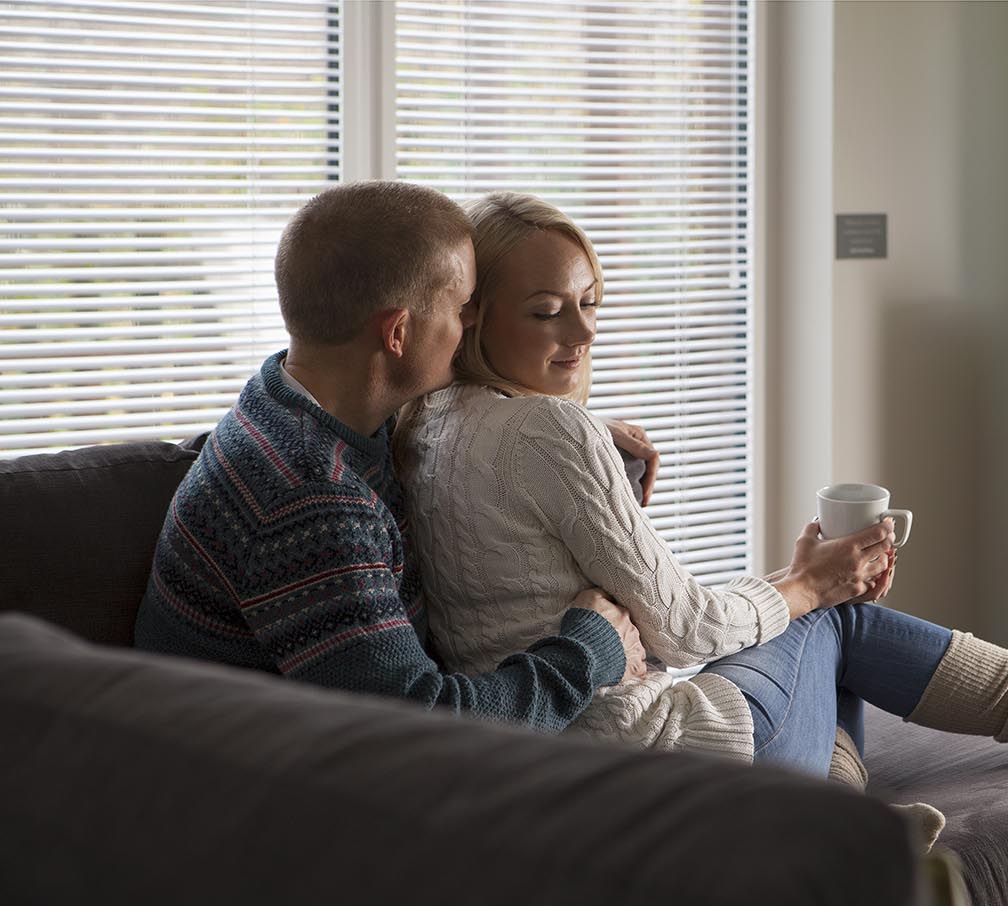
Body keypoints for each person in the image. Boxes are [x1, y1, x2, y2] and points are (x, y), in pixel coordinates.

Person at [395, 190, 1008, 845]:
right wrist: (806, 584)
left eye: (591, 303)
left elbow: (526, 501)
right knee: (838, 615)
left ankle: (847, 839)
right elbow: (688, 628)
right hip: (651, 769)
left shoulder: (428, 420)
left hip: (552, 763)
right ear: (476, 319)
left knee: (821, 608)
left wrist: (792, 579)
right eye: (546, 312)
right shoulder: (549, 432)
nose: (581, 333)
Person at [134, 180, 651, 729]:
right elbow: (424, 733)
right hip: (285, 791)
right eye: (460, 306)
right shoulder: (309, 501)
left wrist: (581, 441)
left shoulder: (291, 403)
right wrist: (591, 646)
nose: (472, 322)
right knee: (751, 673)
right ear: (398, 334)